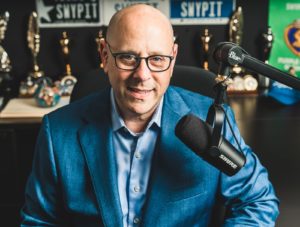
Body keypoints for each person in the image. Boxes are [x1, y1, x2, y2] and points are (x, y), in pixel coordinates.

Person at [21, 4, 279, 226]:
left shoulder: (211, 119)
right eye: (128, 57)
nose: (142, 75)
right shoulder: (57, 133)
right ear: (104, 56)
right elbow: (39, 221)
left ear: (173, 57)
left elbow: (258, 199)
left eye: (157, 59)